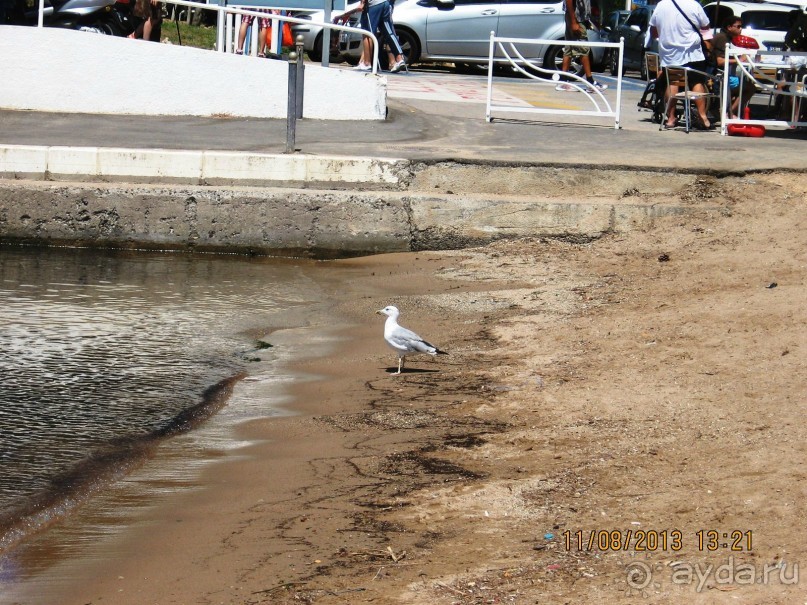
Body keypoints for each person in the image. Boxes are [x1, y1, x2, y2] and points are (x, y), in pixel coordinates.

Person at [648, 0, 712, 129]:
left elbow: (653, 31)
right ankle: (702, 115)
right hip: (692, 52)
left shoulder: (661, 5)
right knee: (696, 82)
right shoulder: (694, 5)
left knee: (672, 82)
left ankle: (670, 118)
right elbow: (706, 26)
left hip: (669, 53)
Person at [555, 0, 607, 92]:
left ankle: (563, 81)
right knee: (583, 48)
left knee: (569, 47)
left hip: (578, 18)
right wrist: (574, 22)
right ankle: (590, 82)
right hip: (576, 19)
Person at [710, 16, 755, 119]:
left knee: (747, 85)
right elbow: (720, 61)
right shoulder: (722, 38)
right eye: (738, 26)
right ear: (729, 27)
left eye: (741, 26)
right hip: (719, 76)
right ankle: (729, 113)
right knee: (750, 88)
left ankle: (729, 111)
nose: (741, 29)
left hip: (724, 75)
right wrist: (740, 59)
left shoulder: (728, 38)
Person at [353, 0, 406, 72]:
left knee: (367, 33)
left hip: (373, 5)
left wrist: (362, 3)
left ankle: (366, 63)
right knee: (388, 32)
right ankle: (399, 58)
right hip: (385, 3)